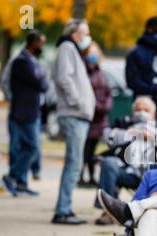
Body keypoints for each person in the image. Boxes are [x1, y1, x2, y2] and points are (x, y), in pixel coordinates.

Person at [94, 96, 157, 225]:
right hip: (128, 172)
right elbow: (108, 135)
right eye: (138, 109)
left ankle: (153, 215)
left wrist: (153, 136)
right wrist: (129, 134)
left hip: (152, 174)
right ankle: (108, 211)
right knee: (108, 163)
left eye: (146, 109)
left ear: (153, 113)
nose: (141, 112)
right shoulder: (124, 123)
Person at [51, 19, 96, 225]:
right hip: (73, 113)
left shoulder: (71, 50)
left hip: (78, 114)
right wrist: (78, 103)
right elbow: (64, 78)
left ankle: (64, 208)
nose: (87, 37)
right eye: (85, 32)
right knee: (74, 163)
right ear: (75, 33)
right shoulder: (67, 47)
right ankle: (63, 210)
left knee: (74, 163)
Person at [1, 30, 48, 197]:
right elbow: (41, 83)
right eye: (41, 43)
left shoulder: (32, 61)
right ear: (33, 43)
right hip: (22, 112)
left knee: (31, 147)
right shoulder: (21, 62)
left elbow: (42, 82)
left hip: (32, 111)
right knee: (30, 148)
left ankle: (21, 182)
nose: (42, 47)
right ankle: (12, 177)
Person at [78, 42, 112, 187]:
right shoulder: (83, 73)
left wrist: (106, 106)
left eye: (95, 53)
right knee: (83, 150)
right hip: (88, 117)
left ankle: (92, 176)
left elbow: (108, 92)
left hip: (99, 119)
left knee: (92, 151)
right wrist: (96, 106)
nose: (93, 56)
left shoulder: (101, 73)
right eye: (90, 53)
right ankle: (80, 176)